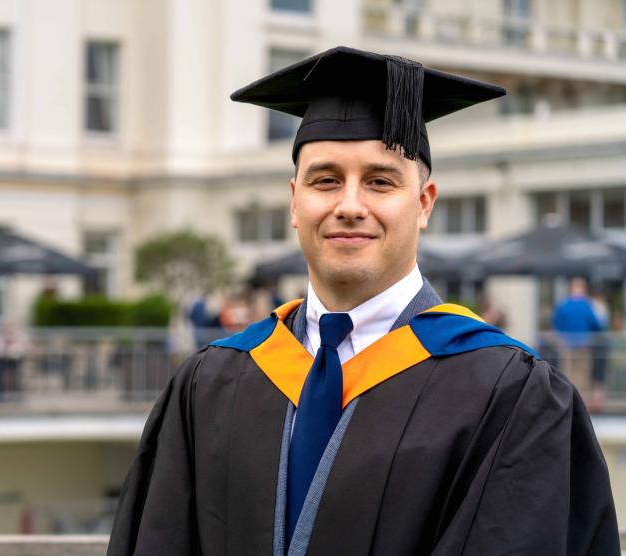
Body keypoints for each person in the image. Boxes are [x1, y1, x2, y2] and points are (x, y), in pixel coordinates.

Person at [107, 47, 619, 555]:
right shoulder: (211, 384)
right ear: (294, 202)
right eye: (326, 180)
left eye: (379, 182)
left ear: (423, 203)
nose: (350, 205)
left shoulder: (508, 394)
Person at [552, 277, 605, 403]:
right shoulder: (587, 305)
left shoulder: (563, 305)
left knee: (568, 374)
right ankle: (581, 402)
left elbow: (556, 324)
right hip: (584, 344)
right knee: (583, 376)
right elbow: (597, 325)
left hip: (566, 345)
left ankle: (568, 402)